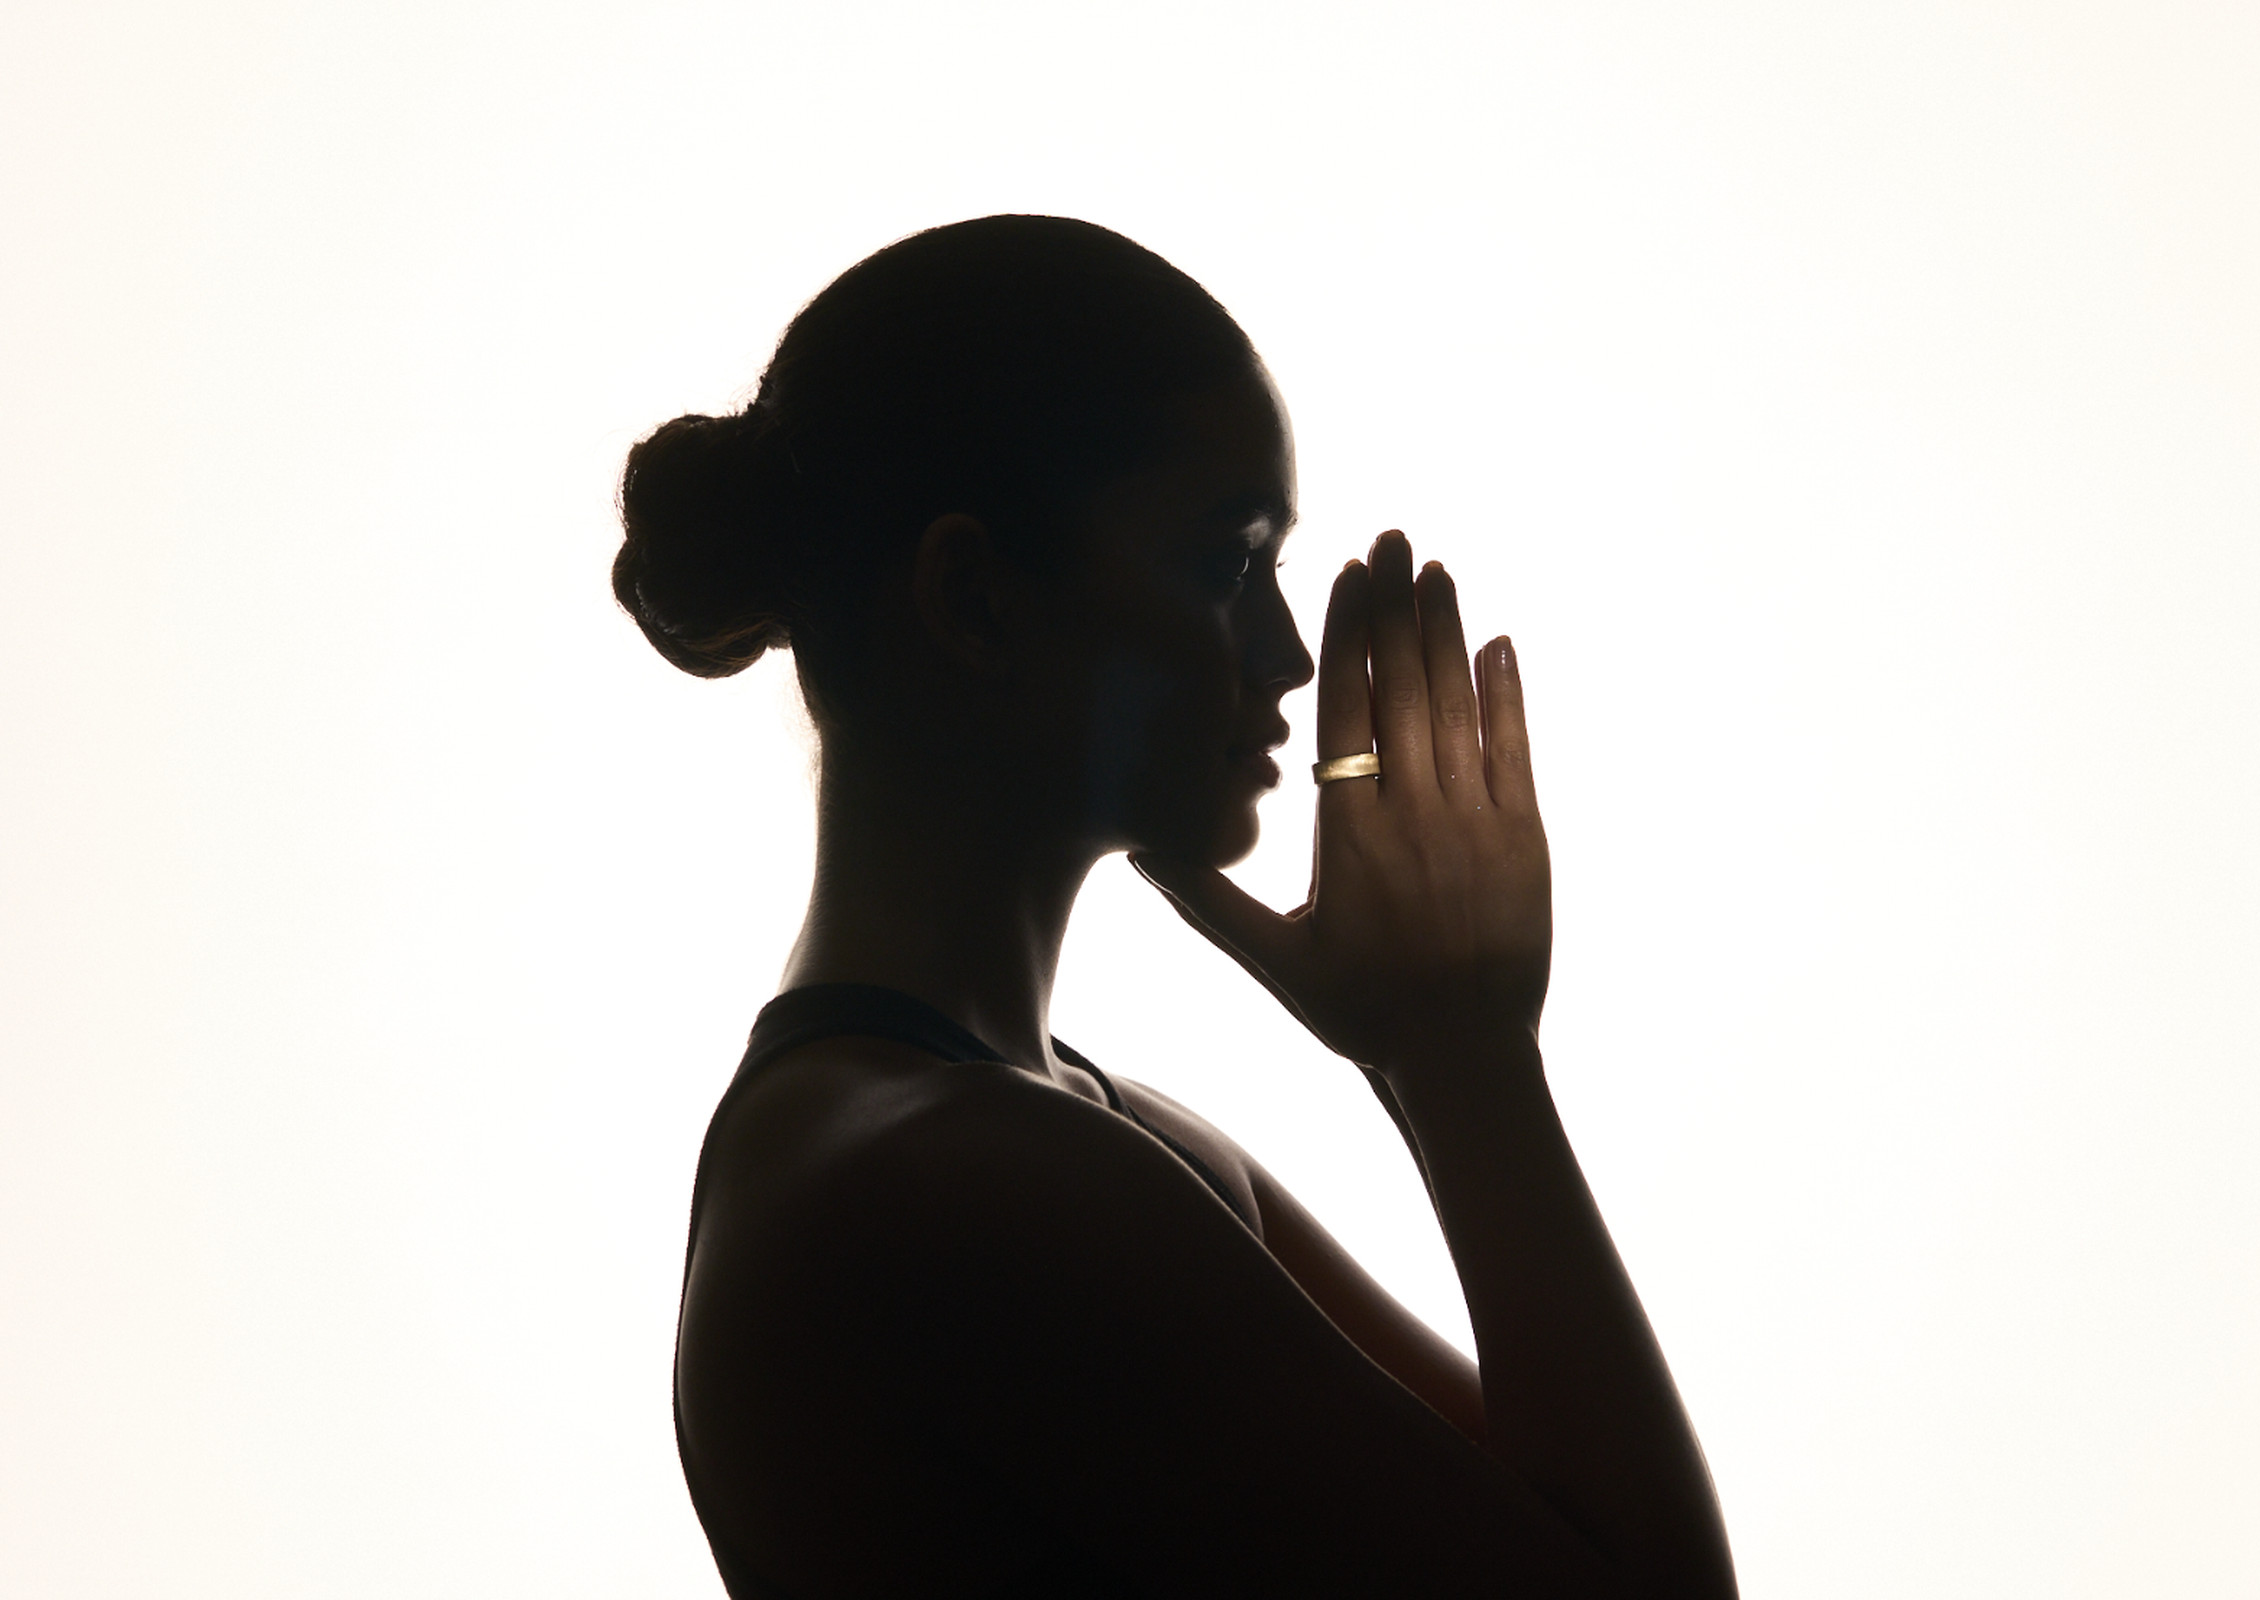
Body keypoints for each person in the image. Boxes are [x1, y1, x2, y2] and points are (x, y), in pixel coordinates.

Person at [614, 215, 1737, 1597]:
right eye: (1225, 564)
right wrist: (1463, 1060)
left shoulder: (1083, 1129)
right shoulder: (958, 1183)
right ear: (972, 597)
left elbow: (1569, 1521)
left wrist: (1437, 1045)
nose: (1283, 655)